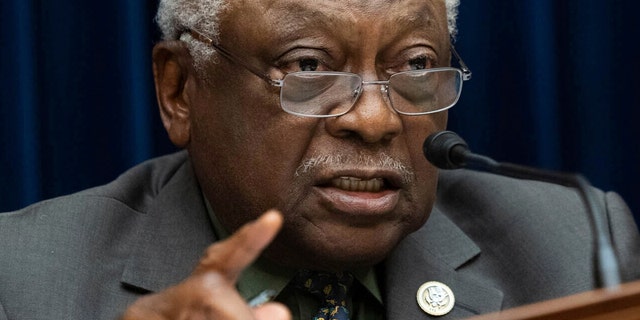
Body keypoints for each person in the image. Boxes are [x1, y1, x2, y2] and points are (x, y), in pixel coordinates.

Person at [1, 0, 639, 319]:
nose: (375, 119)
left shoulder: (576, 248)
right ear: (180, 90)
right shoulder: (22, 285)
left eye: (417, 67)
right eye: (308, 67)